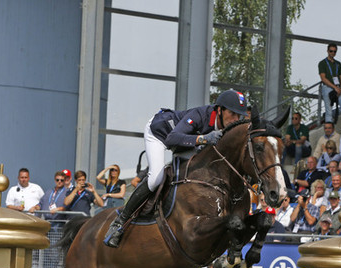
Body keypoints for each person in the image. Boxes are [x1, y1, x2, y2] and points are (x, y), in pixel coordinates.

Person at [104, 89, 248, 248]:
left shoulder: (227, 127)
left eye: (239, 116)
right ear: (219, 110)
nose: (236, 119)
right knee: (155, 178)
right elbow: (172, 138)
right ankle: (120, 221)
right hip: (159, 134)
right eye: (232, 114)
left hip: (184, 143)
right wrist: (203, 139)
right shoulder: (200, 115)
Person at [318, 43, 341, 123]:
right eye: (331, 51)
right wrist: (335, 88)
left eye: (335, 51)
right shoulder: (322, 63)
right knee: (329, 111)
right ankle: (329, 130)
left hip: (338, 87)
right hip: (327, 87)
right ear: (327, 51)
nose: (333, 53)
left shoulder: (338, 63)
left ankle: (334, 114)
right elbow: (323, 78)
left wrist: (340, 89)